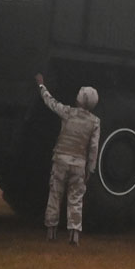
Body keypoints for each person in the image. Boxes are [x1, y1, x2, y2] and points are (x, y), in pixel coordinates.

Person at [35, 72, 100, 245]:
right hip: (79, 164)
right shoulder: (94, 122)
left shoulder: (68, 113)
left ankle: (51, 232)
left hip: (61, 160)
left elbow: (51, 102)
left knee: (55, 194)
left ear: (79, 99)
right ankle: (74, 235)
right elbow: (93, 148)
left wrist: (42, 85)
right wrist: (90, 169)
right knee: (76, 198)